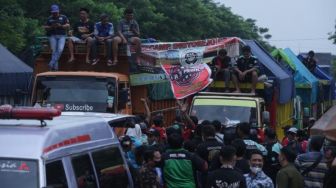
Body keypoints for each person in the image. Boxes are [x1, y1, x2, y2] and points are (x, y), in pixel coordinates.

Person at [43, 4, 70, 71]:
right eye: (53, 12)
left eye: (56, 12)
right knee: (54, 51)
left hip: (62, 36)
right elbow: (45, 27)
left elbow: (68, 25)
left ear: (58, 11)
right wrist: (51, 27)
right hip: (52, 35)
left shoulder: (63, 17)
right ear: (51, 12)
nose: (55, 13)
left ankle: (51, 63)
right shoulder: (49, 18)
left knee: (60, 49)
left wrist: (61, 26)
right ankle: (55, 69)